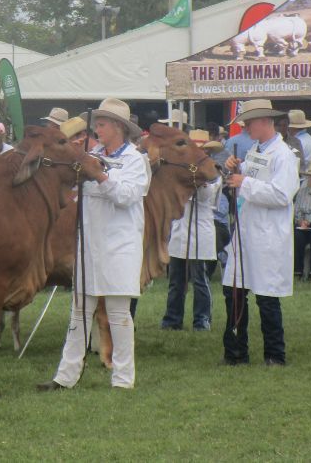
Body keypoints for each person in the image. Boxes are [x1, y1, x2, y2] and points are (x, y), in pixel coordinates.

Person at [39, 98, 150, 390]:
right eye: (97, 124)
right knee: (79, 312)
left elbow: (126, 196)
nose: (96, 129)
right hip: (89, 244)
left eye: (101, 124)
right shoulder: (91, 154)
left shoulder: (135, 160)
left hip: (120, 246)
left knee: (117, 313)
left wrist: (100, 174)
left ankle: (124, 378)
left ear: (117, 127)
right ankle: (65, 377)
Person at [222, 99, 299, 366]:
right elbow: (252, 178)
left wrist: (245, 182)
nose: (245, 127)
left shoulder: (284, 155)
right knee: (233, 290)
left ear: (265, 121)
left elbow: (281, 194)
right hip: (247, 230)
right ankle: (235, 352)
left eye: (250, 122)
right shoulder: (257, 149)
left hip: (267, 235)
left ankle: (275, 355)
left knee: (267, 297)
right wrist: (237, 169)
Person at [161, 130, 223, 331]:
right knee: (176, 280)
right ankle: (172, 319)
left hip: (200, 229)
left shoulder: (215, 172)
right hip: (180, 228)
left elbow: (206, 196)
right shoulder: (178, 170)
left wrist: (196, 179)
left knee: (200, 279)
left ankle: (202, 319)